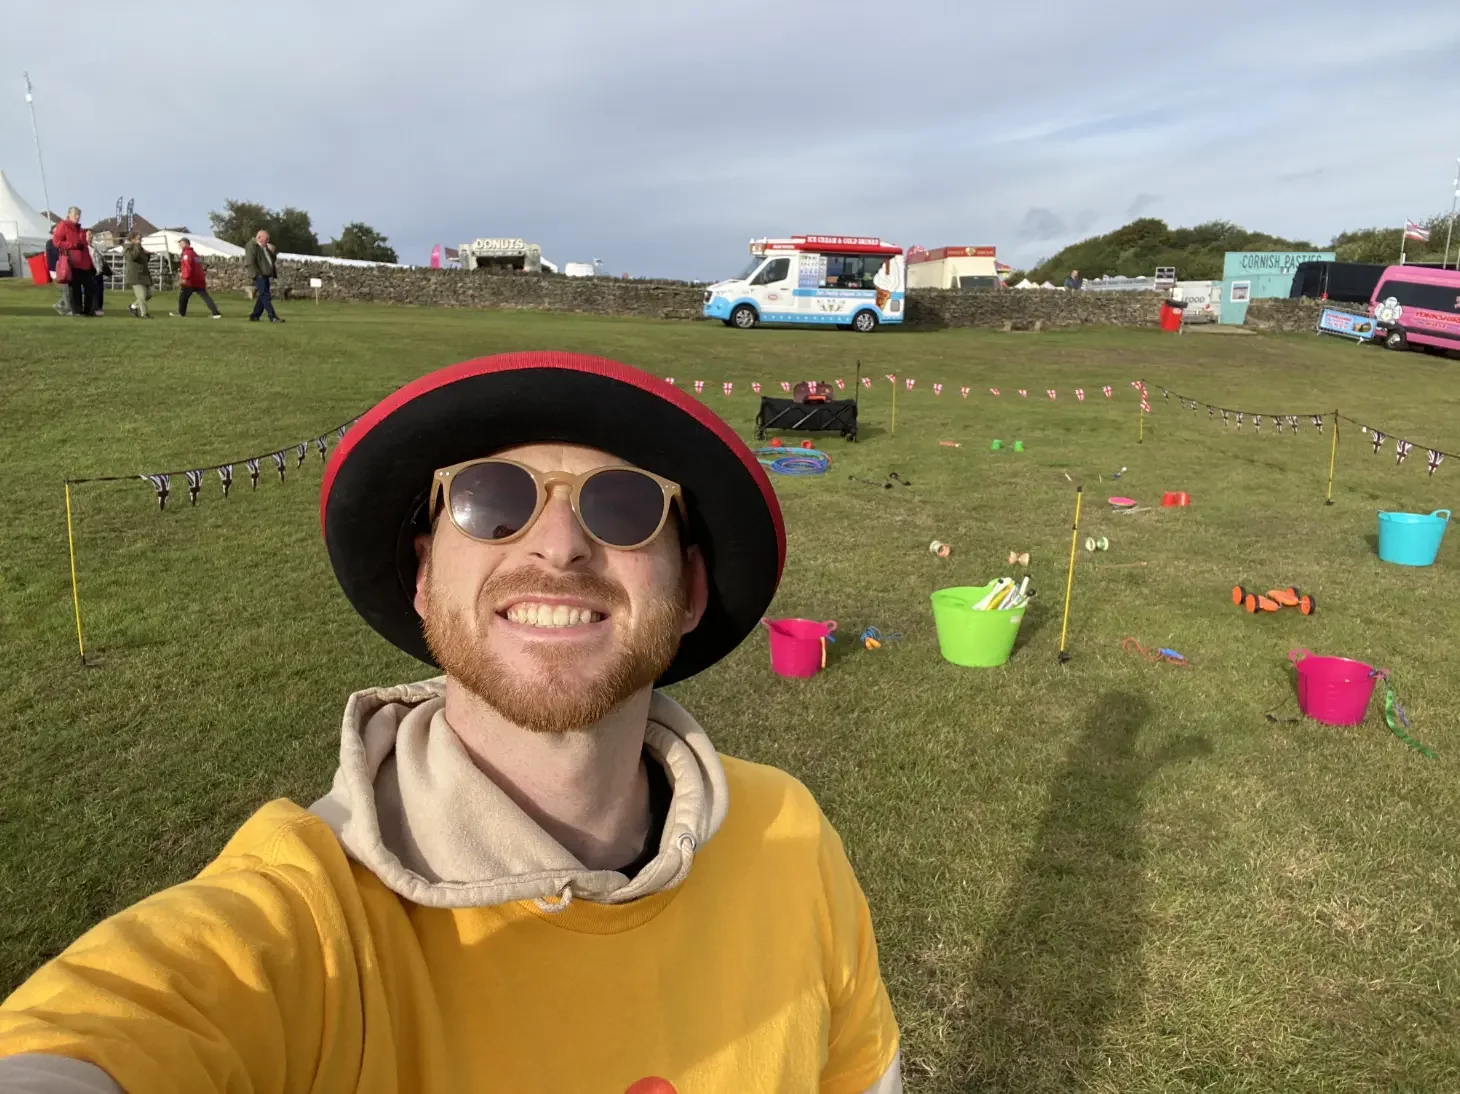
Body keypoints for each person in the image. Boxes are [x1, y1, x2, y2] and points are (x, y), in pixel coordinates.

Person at [0, 352, 903, 1094]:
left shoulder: (787, 830)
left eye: (623, 506)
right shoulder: (305, 928)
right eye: (491, 500)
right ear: (427, 576)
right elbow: (111, 1027)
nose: (557, 546)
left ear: (692, 590)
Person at [50, 207, 94, 316]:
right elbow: (56, 242)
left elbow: (85, 249)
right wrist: (72, 245)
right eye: (76, 214)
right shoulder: (63, 226)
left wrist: (90, 264)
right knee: (75, 289)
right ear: (69, 214)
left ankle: (88, 310)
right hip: (72, 262)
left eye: (79, 214)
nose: (78, 217)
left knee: (91, 287)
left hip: (84, 264)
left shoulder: (80, 230)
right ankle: (76, 311)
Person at [170, 237, 221, 318]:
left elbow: (188, 267)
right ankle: (216, 313)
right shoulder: (194, 254)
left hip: (190, 280)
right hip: (199, 279)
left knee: (183, 296)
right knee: (205, 296)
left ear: (186, 243)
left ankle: (181, 313)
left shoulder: (187, 254)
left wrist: (185, 278)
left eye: (181, 243)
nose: (180, 245)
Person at [244, 228, 284, 322]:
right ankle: (272, 316)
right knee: (265, 295)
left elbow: (273, 259)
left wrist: (270, 250)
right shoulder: (251, 245)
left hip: (266, 274)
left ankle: (255, 315)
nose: (267, 241)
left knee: (263, 296)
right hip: (260, 275)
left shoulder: (264, 247)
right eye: (266, 239)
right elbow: (250, 261)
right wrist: (257, 274)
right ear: (259, 237)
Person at [123, 232, 153, 318]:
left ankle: (133, 306)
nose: (139, 240)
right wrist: (137, 246)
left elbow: (144, 260)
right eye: (138, 238)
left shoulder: (140, 248)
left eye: (140, 239)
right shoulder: (127, 248)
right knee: (142, 295)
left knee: (149, 294)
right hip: (135, 275)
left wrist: (147, 254)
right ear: (132, 239)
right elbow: (133, 257)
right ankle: (144, 314)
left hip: (144, 274)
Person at [84, 230, 107, 316]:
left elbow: (104, 250)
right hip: (90, 269)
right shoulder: (84, 246)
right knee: (92, 290)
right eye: (89, 234)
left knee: (100, 289)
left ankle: (98, 308)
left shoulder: (95, 245)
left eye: (91, 234)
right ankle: (91, 308)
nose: (91, 236)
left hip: (98, 269)